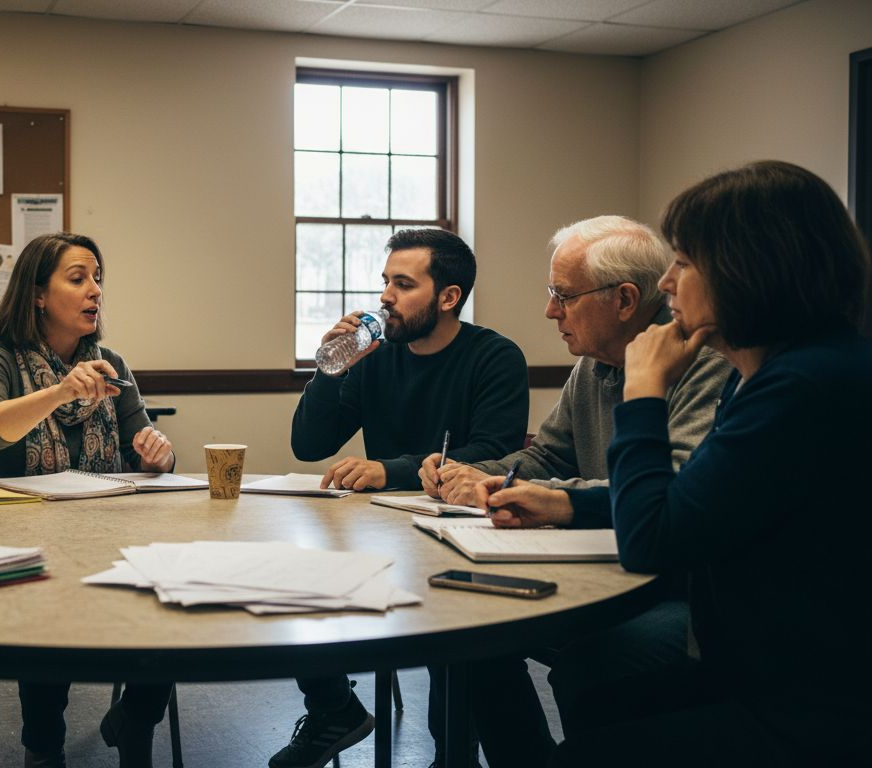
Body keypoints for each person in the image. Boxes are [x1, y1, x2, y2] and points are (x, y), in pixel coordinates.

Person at [480, 160, 872, 766]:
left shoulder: (802, 386)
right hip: (759, 674)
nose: (667, 282)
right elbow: (694, 499)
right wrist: (567, 501)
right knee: (599, 703)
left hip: (809, 707)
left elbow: (655, 540)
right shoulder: (778, 374)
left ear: (749, 270)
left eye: (685, 262)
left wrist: (643, 391)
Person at [414, 216, 731, 767]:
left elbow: (673, 486)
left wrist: (554, 497)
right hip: (607, 566)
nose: (549, 310)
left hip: (679, 588)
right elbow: (542, 459)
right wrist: (473, 473)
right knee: (472, 642)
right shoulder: (594, 364)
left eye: (563, 295)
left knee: (593, 664)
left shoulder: (706, 365)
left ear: (625, 300)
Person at [274, 228, 529, 768]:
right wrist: (330, 367)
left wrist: (388, 470)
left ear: (448, 297)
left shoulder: (495, 357)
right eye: (385, 281)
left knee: (471, 651)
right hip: (384, 537)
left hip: (462, 535)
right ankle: (334, 709)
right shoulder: (375, 357)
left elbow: (494, 451)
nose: (385, 295)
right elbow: (308, 445)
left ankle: (461, 754)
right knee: (297, 582)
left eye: (403, 283)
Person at [0, 232, 176, 768]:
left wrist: (157, 455)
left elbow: (149, 448)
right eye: (78, 278)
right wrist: (61, 391)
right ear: (37, 294)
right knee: (47, 607)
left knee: (168, 593)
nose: (94, 291)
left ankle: (137, 720)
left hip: (109, 529)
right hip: (26, 541)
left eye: (97, 278)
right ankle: (44, 747)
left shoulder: (111, 363)